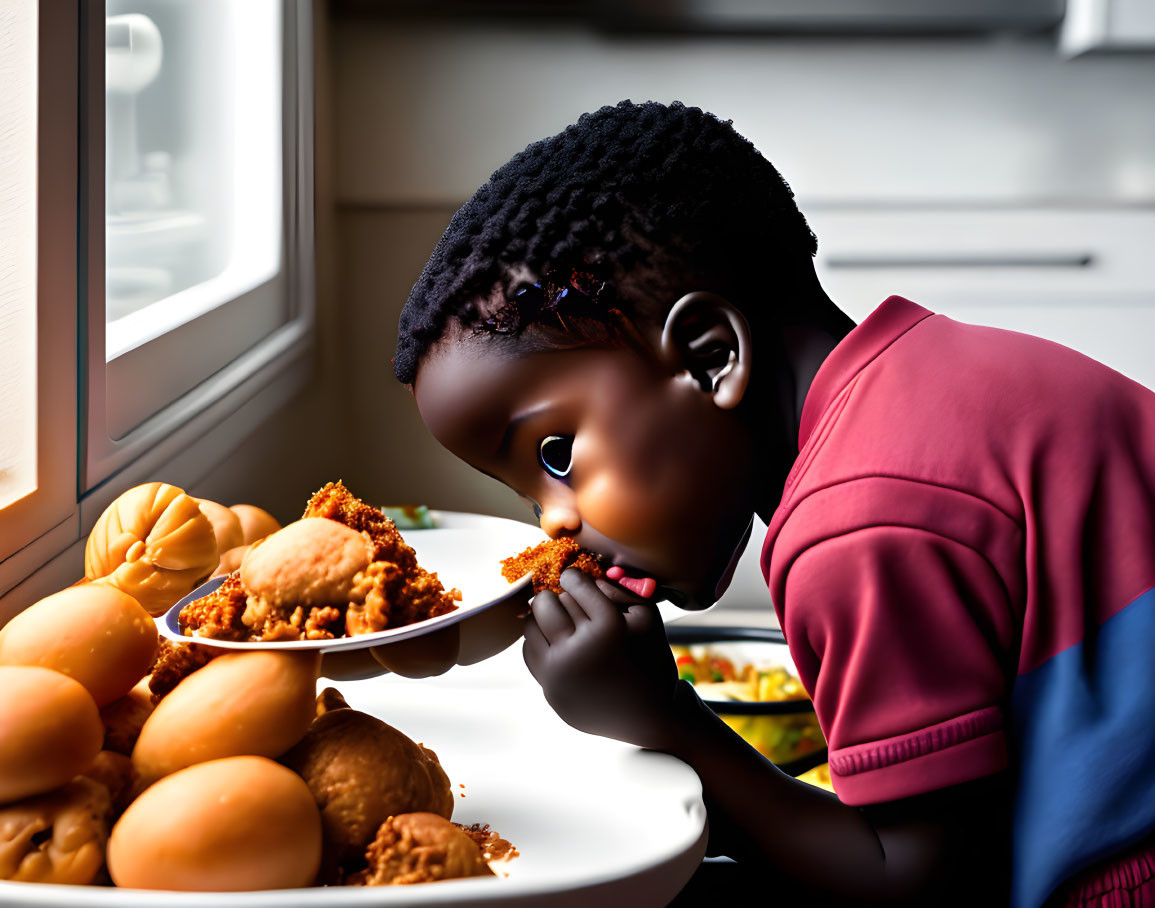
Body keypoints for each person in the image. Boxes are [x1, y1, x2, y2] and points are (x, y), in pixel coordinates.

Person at [390, 100, 1155, 907]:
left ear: (710, 357)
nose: (553, 521)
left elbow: (920, 884)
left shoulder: (852, 527)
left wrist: (664, 719)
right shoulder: (949, 373)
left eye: (555, 457)